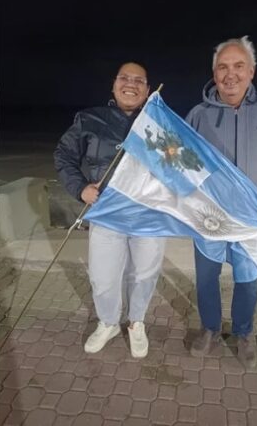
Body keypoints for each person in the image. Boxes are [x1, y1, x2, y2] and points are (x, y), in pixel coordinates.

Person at [186, 36, 257, 368]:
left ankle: (243, 332)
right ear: (214, 74)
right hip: (209, 217)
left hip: (255, 217)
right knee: (206, 278)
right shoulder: (198, 115)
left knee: (248, 280)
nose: (230, 74)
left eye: (238, 66)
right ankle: (209, 328)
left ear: (251, 71)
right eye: (223, 67)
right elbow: (180, 164)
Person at [54, 62, 166, 358]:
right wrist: (80, 188)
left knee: (144, 274)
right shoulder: (89, 118)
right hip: (107, 213)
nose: (131, 84)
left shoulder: (160, 124)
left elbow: (178, 165)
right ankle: (108, 322)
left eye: (138, 80)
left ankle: (136, 322)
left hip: (148, 215)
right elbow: (64, 155)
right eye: (124, 78)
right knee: (103, 278)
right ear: (114, 84)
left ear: (147, 89)